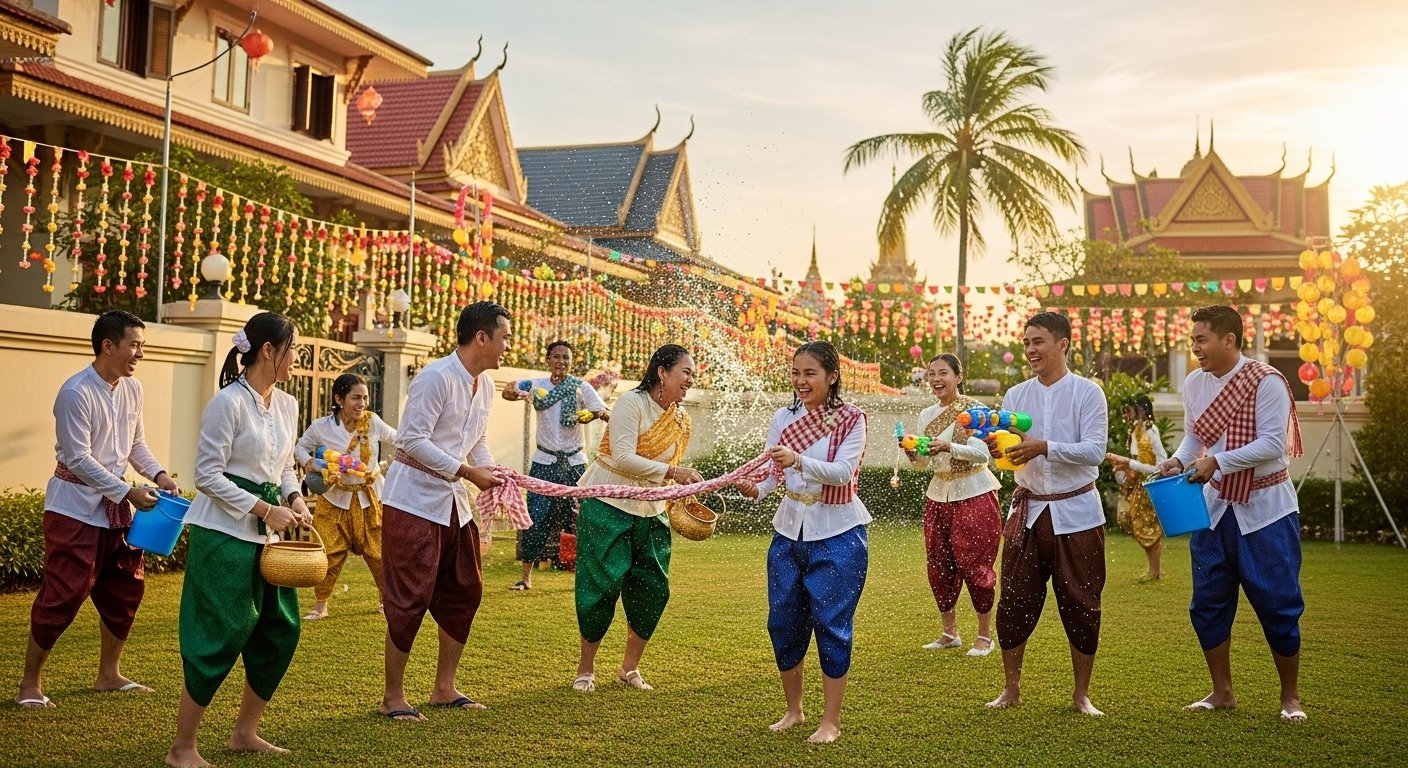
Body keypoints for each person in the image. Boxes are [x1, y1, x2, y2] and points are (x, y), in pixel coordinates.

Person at [166, 312, 311, 768]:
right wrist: (267, 508)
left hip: (270, 537)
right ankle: (182, 748)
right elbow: (206, 475)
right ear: (268, 351)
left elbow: (285, 465)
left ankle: (244, 733)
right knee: (218, 633)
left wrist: (295, 497)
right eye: (292, 349)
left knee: (280, 629)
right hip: (223, 532)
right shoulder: (227, 403)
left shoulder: (286, 405)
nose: (296, 358)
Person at [16, 311, 180, 709]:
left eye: (142, 345)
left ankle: (109, 675)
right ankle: (30, 685)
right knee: (63, 593)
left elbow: (135, 445)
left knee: (126, 588)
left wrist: (158, 475)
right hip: (73, 508)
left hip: (117, 508)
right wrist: (127, 492)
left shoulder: (133, 389)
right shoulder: (76, 392)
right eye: (135, 344)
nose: (140, 353)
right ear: (108, 345)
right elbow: (77, 460)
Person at [1157, 305, 1307, 722]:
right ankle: (1221, 692)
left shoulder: (1267, 381)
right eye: (1192, 341)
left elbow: (1273, 445)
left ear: (1229, 340)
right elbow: (1194, 440)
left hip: (1266, 511)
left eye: (1202, 340)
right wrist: (1176, 461)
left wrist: (1217, 462)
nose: (1195, 349)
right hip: (1215, 509)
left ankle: (1290, 697)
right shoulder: (1194, 383)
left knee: (1278, 603)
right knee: (1207, 603)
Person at [378, 301, 509, 722]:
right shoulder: (436, 377)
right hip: (412, 502)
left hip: (455, 505)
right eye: (504, 337)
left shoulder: (484, 384)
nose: (508, 346)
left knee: (465, 590)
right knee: (409, 597)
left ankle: (443, 688)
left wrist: (487, 468)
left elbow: (477, 438)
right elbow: (411, 442)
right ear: (482, 338)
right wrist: (468, 471)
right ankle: (393, 697)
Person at [736, 341, 870, 744]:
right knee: (783, 621)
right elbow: (770, 474)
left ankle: (831, 721)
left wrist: (796, 461)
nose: (800, 381)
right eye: (796, 372)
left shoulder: (851, 420)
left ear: (832, 377)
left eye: (810, 373)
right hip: (789, 530)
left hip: (839, 532)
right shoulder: (783, 417)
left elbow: (843, 473)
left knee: (832, 625)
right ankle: (794, 710)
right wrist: (754, 489)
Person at [986, 311, 1109, 716]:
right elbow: (1008, 452)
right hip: (1029, 510)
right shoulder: (1016, 395)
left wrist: (1044, 446)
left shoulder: (1088, 393)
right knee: (1015, 601)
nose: (1030, 350)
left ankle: (1081, 695)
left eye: (1038, 341)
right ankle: (1011, 689)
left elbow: (1094, 451)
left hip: (1079, 513)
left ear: (1063, 345)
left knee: (1082, 602)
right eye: (1026, 343)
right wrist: (998, 450)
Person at [571, 344, 700, 694]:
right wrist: (674, 471)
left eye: (692, 373)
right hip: (609, 503)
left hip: (652, 510)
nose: (691, 379)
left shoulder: (680, 419)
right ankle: (586, 669)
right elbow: (624, 457)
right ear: (662, 372)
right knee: (600, 586)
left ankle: (629, 667)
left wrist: (679, 488)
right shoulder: (632, 403)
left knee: (653, 588)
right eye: (685, 372)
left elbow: (669, 474)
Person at [906, 353, 1001, 656]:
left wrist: (948, 445)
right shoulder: (925, 415)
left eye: (943, 373)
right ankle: (950, 632)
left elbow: (982, 455)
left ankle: (984, 636)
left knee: (976, 566)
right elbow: (924, 462)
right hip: (938, 494)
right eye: (931, 373)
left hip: (974, 492)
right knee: (939, 566)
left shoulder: (976, 410)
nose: (935, 379)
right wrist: (913, 454)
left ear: (959, 376)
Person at [502, 341, 609, 590]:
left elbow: (602, 410)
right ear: (548, 360)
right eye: (557, 357)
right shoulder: (536, 385)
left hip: (574, 463)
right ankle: (525, 578)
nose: (561, 362)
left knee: (582, 519)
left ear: (571, 363)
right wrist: (511, 392)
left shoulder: (581, 387)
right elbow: (509, 393)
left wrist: (593, 415)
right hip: (544, 462)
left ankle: (587, 575)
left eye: (566, 358)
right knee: (534, 518)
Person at [295, 373, 397, 620]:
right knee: (328, 551)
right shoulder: (321, 427)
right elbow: (300, 446)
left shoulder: (372, 423)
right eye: (355, 398)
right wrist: (310, 463)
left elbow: (400, 439)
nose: (362, 403)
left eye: (364, 398)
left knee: (379, 552)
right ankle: (321, 605)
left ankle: (386, 602)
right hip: (334, 499)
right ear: (340, 399)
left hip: (370, 499)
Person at [1106, 393, 1167, 581]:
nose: (1128, 414)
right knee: (1131, 521)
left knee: (1147, 526)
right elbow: (1135, 459)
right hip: (1138, 484)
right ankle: (1153, 569)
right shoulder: (1136, 429)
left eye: (1131, 410)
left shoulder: (1152, 431)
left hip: (1151, 483)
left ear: (1140, 409)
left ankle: (1155, 570)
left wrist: (1129, 464)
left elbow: (1160, 465)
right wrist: (1123, 466)